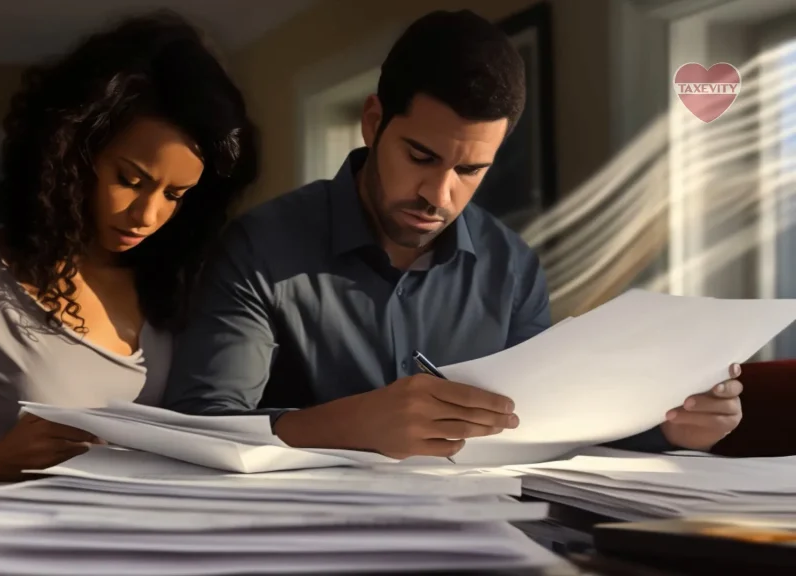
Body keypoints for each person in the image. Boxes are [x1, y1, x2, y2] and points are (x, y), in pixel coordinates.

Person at [161, 10, 742, 459]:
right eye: (421, 156)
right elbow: (200, 423)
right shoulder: (259, 246)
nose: (439, 195)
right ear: (373, 123)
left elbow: (543, 422)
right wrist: (348, 425)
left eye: (470, 170)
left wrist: (672, 426)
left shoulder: (511, 267)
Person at [0, 12, 257, 487]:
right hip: (9, 529)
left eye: (174, 195)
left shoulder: (180, 283)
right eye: (130, 180)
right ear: (72, 153)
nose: (147, 215)